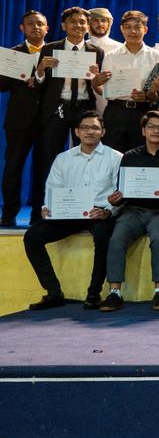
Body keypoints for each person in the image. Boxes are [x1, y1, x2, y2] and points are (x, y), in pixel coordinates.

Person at [22, 110, 120, 310]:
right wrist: (47, 208)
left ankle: (94, 294)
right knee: (32, 236)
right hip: (68, 212)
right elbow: (52, 188)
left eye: (95, 128)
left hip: (99, 213)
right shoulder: (63, 158)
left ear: (103, 131)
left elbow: (120, 193)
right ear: (76, 132)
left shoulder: (116, 157)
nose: (89, 132)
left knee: (104, 237)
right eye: (85, 128)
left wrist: (108, 210)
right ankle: (53, 292)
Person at [99, 110, 159, 312]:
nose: (156, 131)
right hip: (134, 210)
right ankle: (114, 292)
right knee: (116, 238)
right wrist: (115, 199)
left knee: (158, 237)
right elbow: (122, 191)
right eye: (151, 127)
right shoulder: (130, 156)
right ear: (143, 131)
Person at [32, 7, 105, 225]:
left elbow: (98, 87)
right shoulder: (50, 49)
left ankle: (80, 208)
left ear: (88, 26)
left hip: (84, 108)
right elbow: (38, 84)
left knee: (86, 160)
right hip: (57, 108)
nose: (79, 25)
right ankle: (41, 211)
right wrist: (41, 69)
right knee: (49, 159)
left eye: (83, 22)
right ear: (64, 25)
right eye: (73, 21)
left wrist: (97, 78)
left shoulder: (96, 51)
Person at [94, 10, 159, 153]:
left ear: (145, 29)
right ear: (121, 29)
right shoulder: (111, 56)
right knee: (112, 155)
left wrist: (147, 96)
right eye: (128, 27)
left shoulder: (157, 57)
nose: (132, 31)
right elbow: (104, 91)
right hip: (115, 111)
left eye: (137, 27)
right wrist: (95, 84)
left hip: (144, 112)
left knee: (140, 156)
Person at [1, 10, 47, 226]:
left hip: (48, 120)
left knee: (43, 168)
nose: (35, 27)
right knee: (13, 167)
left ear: (47, 28)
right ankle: (8, 213)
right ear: (22, 28)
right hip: (19, 119)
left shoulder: (56, 51)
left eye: (40, 24)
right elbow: (2, 86)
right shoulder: (12, 54)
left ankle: (39, 213)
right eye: (30, 23)